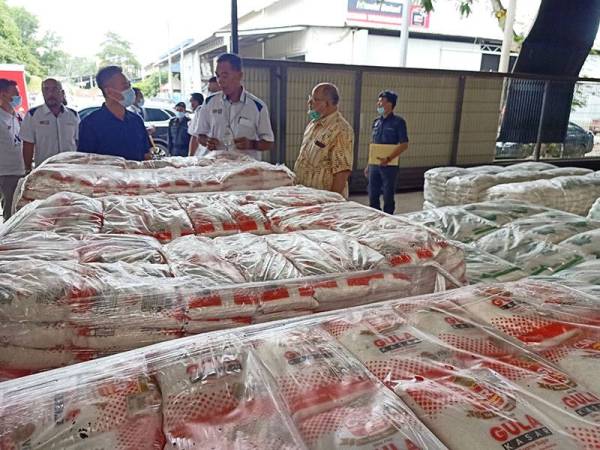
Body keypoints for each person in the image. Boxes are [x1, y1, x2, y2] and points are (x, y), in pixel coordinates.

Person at [193, 53, 274, 160]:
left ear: (239, 76)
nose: (220, 81)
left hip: (244, 170)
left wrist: (251, 144)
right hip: (216, 167)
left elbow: (268, 143)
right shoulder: (209, 103)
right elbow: (200, 136)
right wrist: (207, 142)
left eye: (225, 75)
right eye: (217, 76)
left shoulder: (257, 107)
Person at [78, 66, 152, 161]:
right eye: (125, 86)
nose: (131, 90)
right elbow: (85, 163)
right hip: (106, 175)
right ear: (109, 92)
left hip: (137, 175)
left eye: (129, 85)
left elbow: (146, 153)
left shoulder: (136, 120)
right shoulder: (90, 124)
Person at [294, 83, 354, 198]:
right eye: (310, 98)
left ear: (329, 103)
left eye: (315, 99)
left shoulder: (341, 129)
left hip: (323, 202)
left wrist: (330, 203)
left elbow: (341, 172)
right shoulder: (313, 124)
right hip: (305, 196)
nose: (309, 103)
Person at [20, 78, 80, 173]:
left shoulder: (73, 115)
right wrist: (28, 169)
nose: (50, 93)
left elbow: (77, 142)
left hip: (70, 168)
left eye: (54, 89)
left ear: (62, 92)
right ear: (43, 93)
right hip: (45, 170)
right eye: (46, 89)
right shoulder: (33, 115)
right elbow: (28, 144)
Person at [365, 90, 409, 214]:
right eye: (378, 101)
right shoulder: (376, 122)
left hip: (389, 166)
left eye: (382, 102)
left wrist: (388, 158)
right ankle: (375, 217)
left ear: (391, 104)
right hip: (374, 165)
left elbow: (404, 144)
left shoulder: (398, 122)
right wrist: (368, 164)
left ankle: (388, 218)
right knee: (372, 194)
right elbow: (373, 145)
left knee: (388, 195)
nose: (378, 104)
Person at [0, 79, 25, 220]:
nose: (18, 97)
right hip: (5, 172)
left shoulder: (17, 116)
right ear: (3, 95)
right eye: (15, 94)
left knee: (17, 209)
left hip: (19, 169)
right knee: (10, 212)